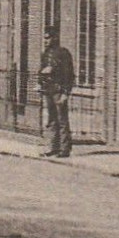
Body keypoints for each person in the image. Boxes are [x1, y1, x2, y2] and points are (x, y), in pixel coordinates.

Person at [36, 26, 75, 158]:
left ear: (55, 38)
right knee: (51, 119)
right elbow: (41, 70)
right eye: (44, 38)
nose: (45, 41)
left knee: (62, 120)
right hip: (48, 90)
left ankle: (64, 149)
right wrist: (39, 82)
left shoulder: (63, 53)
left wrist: (65, 93)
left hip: (59, 90)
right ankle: (53, 147)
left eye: (48, 38)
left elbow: (68, 75)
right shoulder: (46, 54)